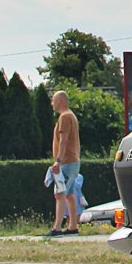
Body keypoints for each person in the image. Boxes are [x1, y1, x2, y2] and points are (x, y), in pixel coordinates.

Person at [47, 90, 81, 237]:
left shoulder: (64, 117)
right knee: (70, 194)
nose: (52, 104)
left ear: (60, 101)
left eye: (53, 101)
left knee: (59, 194)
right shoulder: (71, 115)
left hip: (66, 162)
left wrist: (58, 161)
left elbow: (63, 140)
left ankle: (57, 227)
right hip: (73, 161)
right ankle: (73, 225)